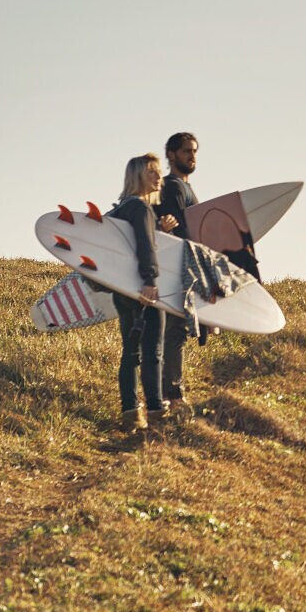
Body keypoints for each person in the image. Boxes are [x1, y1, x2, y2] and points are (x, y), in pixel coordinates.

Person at [112, 152, 167, 432]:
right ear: (137, 177)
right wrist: (151, 279)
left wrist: (160, 229)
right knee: (152, 352)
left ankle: (130, 412)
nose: (159, 177)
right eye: (152, 172)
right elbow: (145, 246)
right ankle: (156, 411)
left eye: (158, 172)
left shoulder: (121, 208)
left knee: (130, 352)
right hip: (143, 288)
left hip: (122, 291)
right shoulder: (141, 209)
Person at [154, 132, 202, 406]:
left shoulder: (187, 188)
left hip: (186, 266)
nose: (192, 156)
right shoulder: (171, 187)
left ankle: (167, 393)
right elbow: (174, 231)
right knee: (175, 330)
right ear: (171, 155)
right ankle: (171, 395)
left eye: (194, 151)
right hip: (175, 267)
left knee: (176, 330)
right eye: (186, 151)